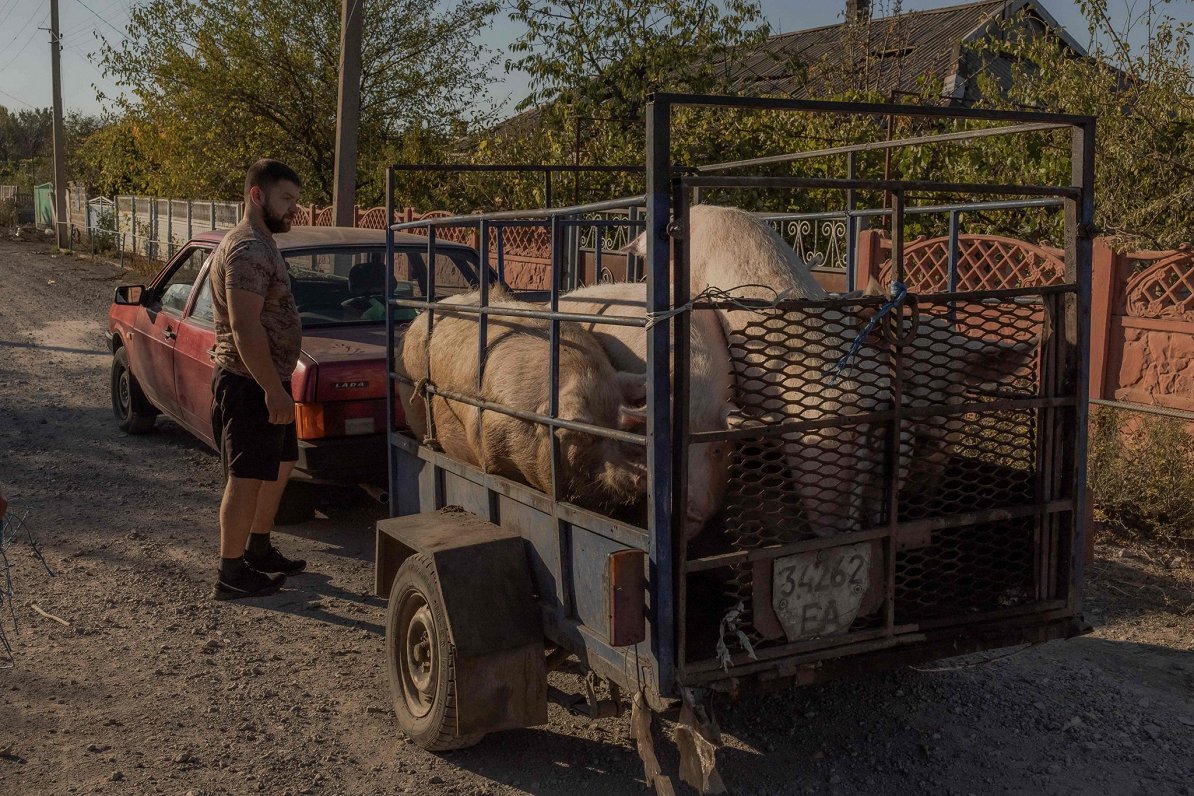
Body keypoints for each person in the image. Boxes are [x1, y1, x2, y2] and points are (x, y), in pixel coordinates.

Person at [208, 159, 308, 600]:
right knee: (246, 476)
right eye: (286, 199)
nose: (294, 210)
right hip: (250, 382)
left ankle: (259, 548)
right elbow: (244, 325)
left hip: (270, 380)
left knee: (280, 465)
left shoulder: (263, 242)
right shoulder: (247, 247)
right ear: (257, 195)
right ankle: (231, 574)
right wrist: (271, 389)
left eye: (296, 202)